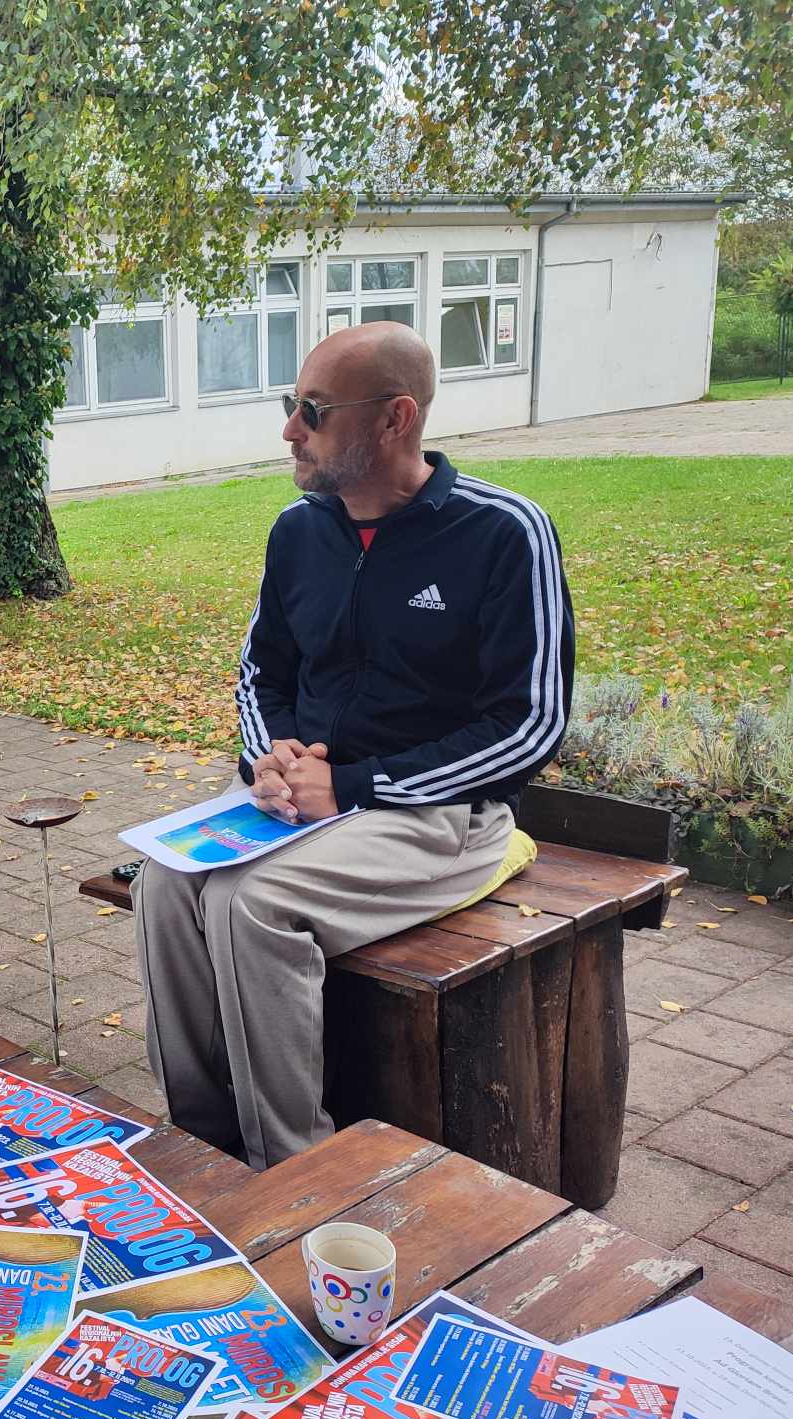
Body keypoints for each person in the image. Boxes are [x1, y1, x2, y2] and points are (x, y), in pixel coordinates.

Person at [135, 322, 574, 1171]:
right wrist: (270, 758)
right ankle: (203, 1146)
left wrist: (357, 785)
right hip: (304, 803)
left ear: (394, 418)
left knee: (248, 904)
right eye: (291, 404)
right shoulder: (299, 532)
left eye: (314, 410)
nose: (289, 429)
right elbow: (262, 671)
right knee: (164, 882)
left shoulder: (503, 532)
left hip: (443, 815)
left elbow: (530, 724)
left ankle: (293, 1169)